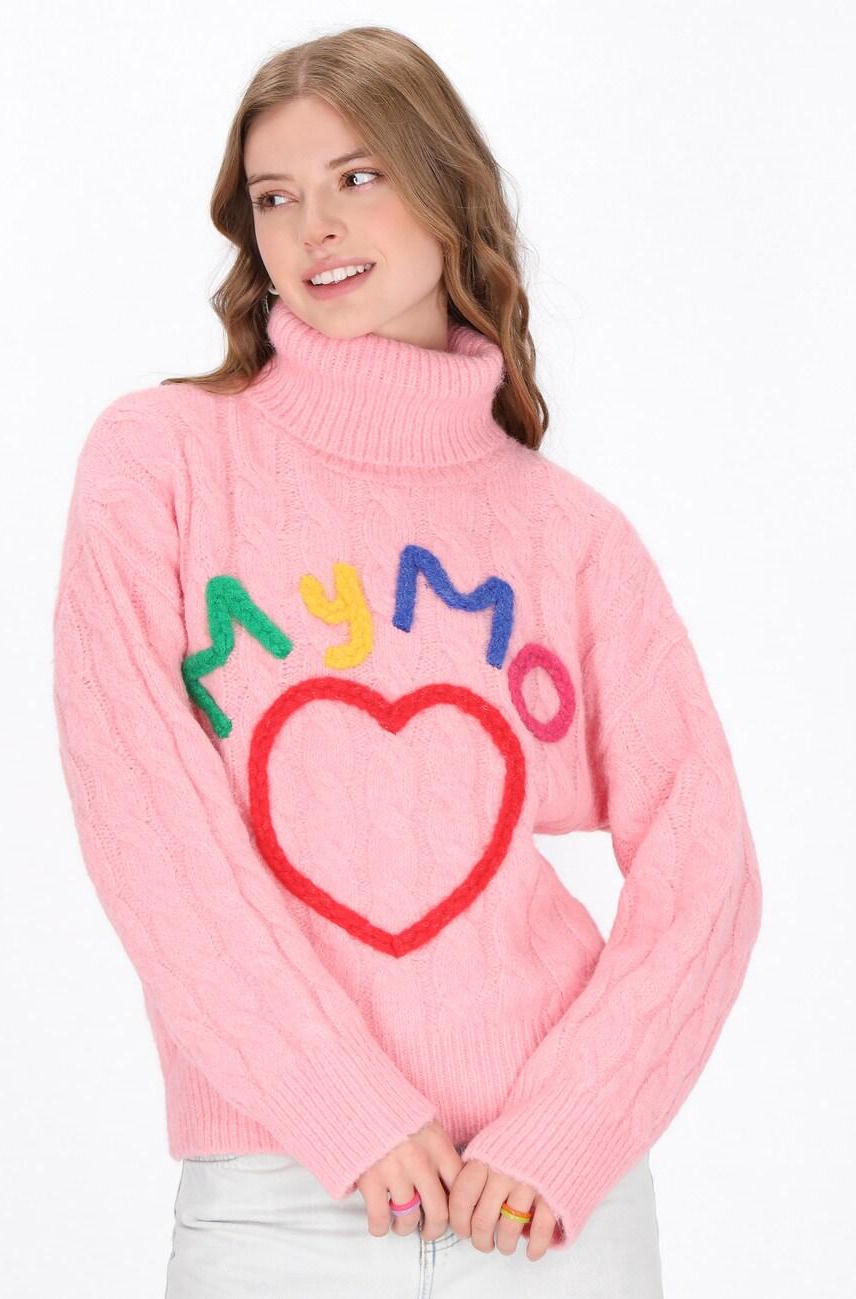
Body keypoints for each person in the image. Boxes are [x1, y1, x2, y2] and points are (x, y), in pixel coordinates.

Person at [51, 24, 763, 1299]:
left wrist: (569, 1131)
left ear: (447, 188)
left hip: (548, 1209)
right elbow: (146, 824)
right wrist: (340, 1102)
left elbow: (706, 869)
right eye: (276, 197)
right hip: (278, 1198)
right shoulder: (161, 460)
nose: (314, 227)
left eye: (358, 176)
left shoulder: (572, 536)